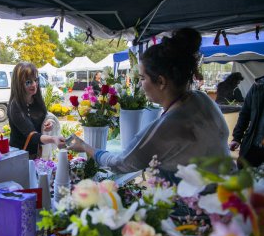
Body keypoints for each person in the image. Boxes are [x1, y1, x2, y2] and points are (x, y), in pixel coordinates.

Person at [67, 28, 231, 181]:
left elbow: (122, 163)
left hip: (206, 206)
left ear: (160, 81)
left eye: (143, 78)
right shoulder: (202, 99)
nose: (140, 85)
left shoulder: (170, 125)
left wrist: (84, 146)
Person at [7, 62, 65, 159]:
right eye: (28, 82)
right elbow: (32, 135)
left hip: (37, 155)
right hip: (20, 157)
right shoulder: (15, 106)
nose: (34, 85)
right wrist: (53, 139)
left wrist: (48, 123)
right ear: (18, 84)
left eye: (35, 80)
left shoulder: (36, 100)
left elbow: (44, 117)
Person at [229, 76, 264, 167]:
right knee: (243, 173)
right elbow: (245, 113)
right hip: (253, 144)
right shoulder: (258, 85)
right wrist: (237, 137)